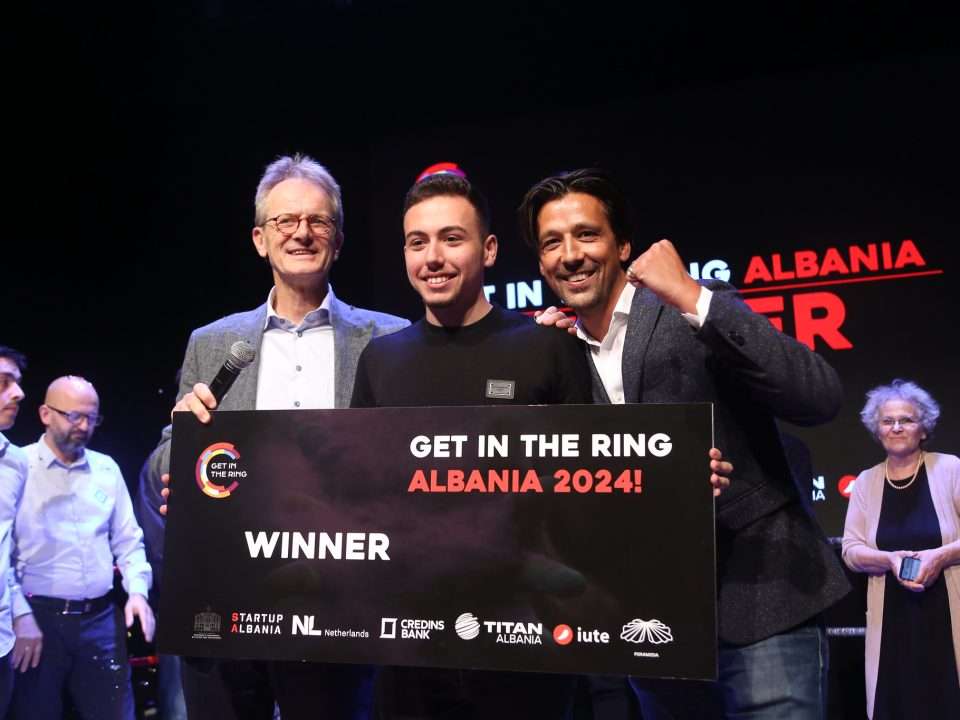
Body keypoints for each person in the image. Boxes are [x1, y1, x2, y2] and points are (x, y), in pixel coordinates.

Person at [522, 168, 849, 719]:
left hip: (761, 598)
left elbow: (817, 397)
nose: (570, 255)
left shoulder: (688, 306)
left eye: (587, 234)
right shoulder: (554, 352)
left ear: (622, 245)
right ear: (540, 262)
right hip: (653, 620)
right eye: (552, 242)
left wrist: (695, 298)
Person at [143, 153, 408, 720]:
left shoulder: (388, 338)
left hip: (342, 604)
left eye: (318, 221)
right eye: (285, 220)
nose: (301, 233)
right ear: (260, 239)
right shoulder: (213, 342)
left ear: (338, 240)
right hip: (231, 598)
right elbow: (167, 459)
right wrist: (179, 451)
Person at [351, 169, 597, 719]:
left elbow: (591, 485)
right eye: (418, 242)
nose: (433, 257)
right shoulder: (381, 361)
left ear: (488, 250)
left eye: (451, 239)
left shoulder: (547, 347)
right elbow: (359, 494)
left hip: (528, 637)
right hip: (410, 641)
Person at [10, 375, 154, 720]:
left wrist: (138, 593)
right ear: (45, 414)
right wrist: (19, 614)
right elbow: (2, 555)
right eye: (74, 416)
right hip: (36, 619)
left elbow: (128, 540)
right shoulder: (17, 467)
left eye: (92, 417)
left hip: (100, 620)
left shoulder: (106, 468)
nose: (84, 426)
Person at [842, 379, 960, 719]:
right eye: (887, 421)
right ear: (877, 429)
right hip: (891, 623)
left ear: (923, 429)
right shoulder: (866, 481)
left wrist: (940, 556)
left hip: (946, 618)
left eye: (906, 420)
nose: (896, 427)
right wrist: (889, 560)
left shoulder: (950, 468)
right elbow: (850, 549)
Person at [0, 346, 30, 717]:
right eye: (3, 382)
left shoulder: (15, 462)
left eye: (17, 383)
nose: (18, 393)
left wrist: (19, 612)